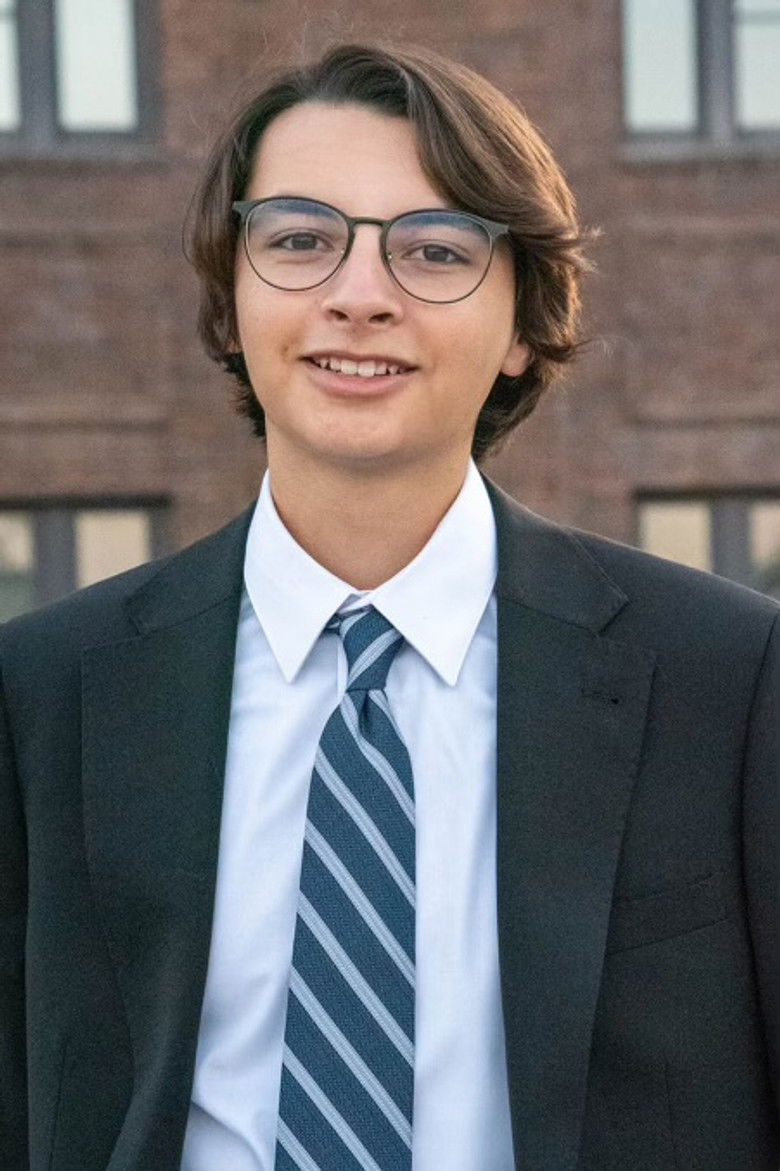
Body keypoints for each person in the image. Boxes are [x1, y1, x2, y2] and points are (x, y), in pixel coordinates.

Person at [0, 41, 777, 1171]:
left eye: (435, 249)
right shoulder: (41, 694)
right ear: (231, 302)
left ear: (523, 327)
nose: (359, 296)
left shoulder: (731, 677)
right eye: (300, 240)